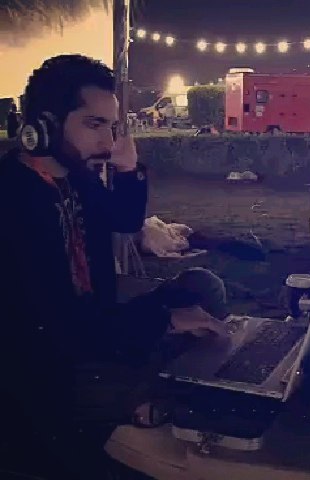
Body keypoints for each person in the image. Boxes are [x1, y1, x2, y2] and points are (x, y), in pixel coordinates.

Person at [0, 54, 228, 479]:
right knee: (171, 387)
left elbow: (123, 219)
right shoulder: (14, 199)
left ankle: (173, 371)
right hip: (51, 366)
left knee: (203, 285)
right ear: (43, 127)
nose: (107, 142)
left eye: (112, 126)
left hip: (97, 326)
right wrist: (163, 320)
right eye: (94, 125)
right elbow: (62, 330)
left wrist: (128, 168)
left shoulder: (74, 175)